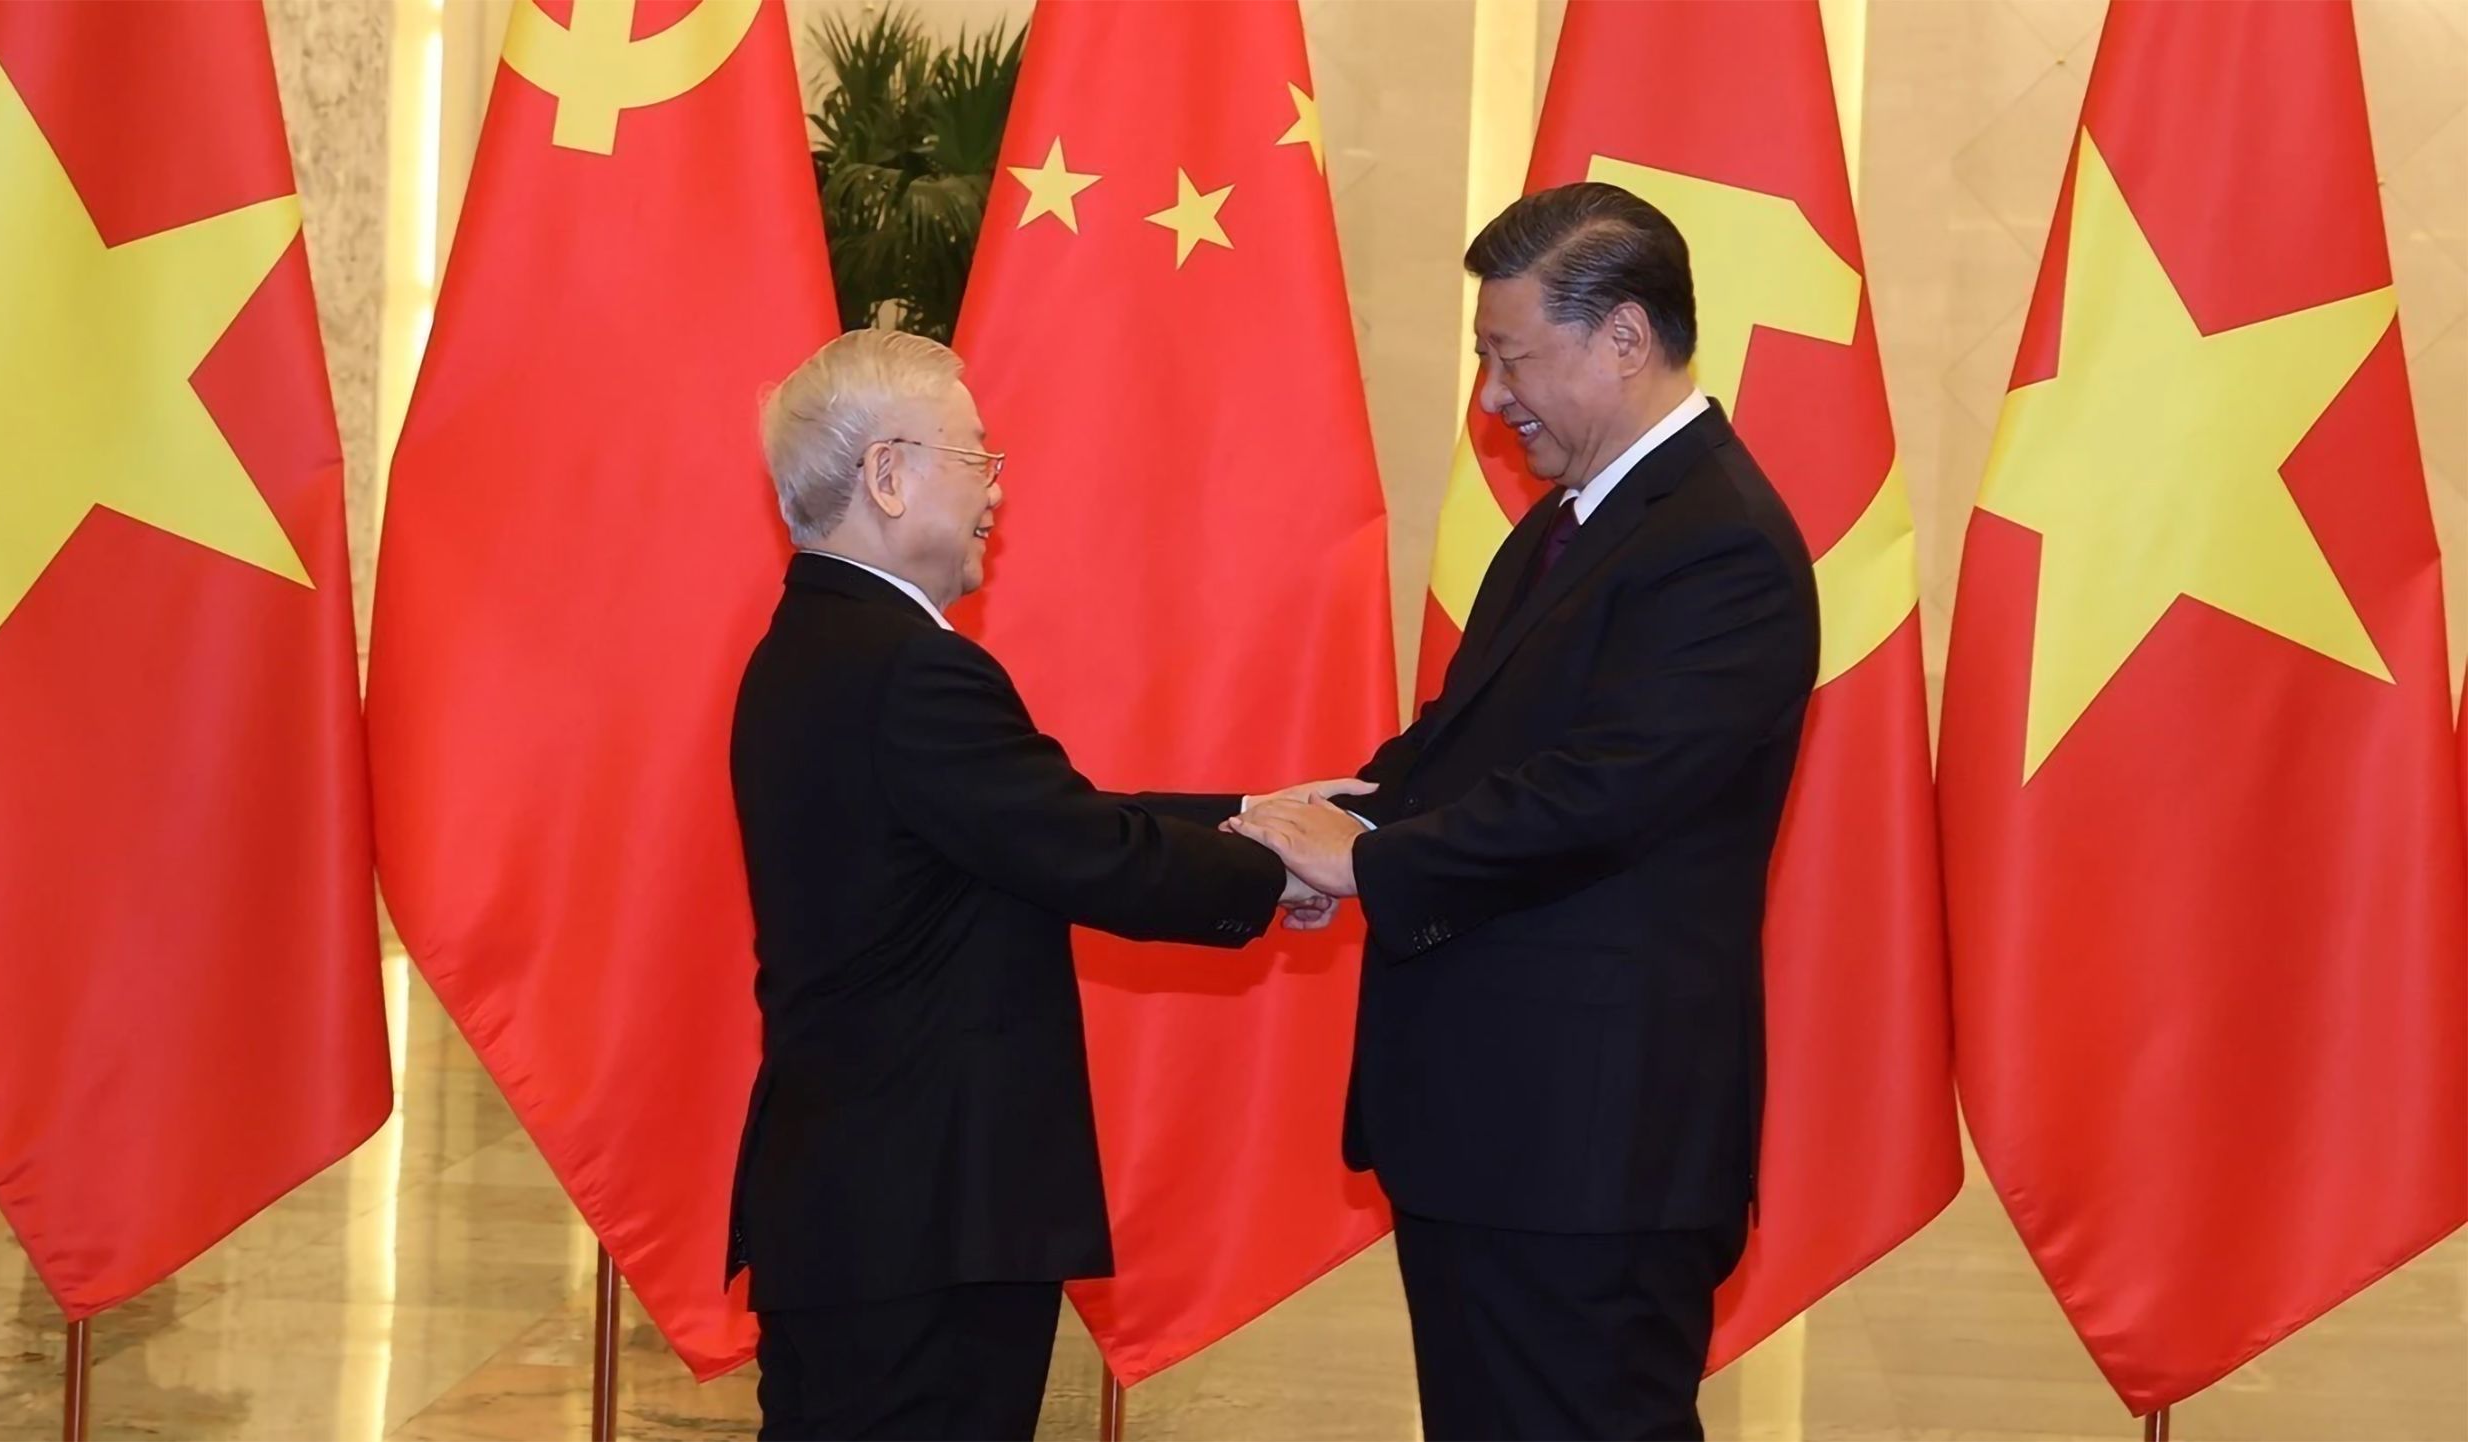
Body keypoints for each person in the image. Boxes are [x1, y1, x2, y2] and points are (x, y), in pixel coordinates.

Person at [1232, 182, 1821, 1441]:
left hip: (1591, 1151)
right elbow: (1465, 746)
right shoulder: (1569, 521)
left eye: (1511, 356)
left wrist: (1370, 864)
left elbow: (1603, 792)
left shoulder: (1720, 543)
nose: (1492, 394)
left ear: (1623, 336)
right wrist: (1316, 823)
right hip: (1501, 1135)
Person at [727, 329, 1330, 1441]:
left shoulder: (815, 644)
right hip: (925, 1212)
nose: (998, 491)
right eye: (978, 458)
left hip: (859, 1200)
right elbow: (1079, 847)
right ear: (887, 475)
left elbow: (1034, 818)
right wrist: (1282, 861)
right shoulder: (910, 666)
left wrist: (1254, 811)